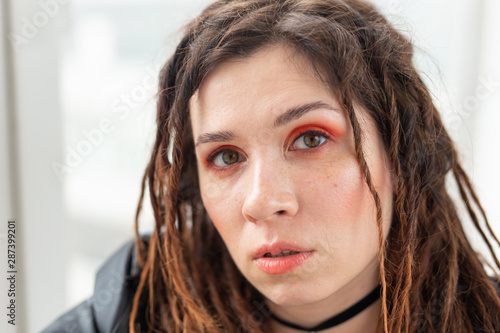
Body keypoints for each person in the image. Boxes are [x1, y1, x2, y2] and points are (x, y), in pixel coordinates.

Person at [43, 0, 500, 332]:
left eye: (311, 139)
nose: (261, 201)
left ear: (403, 155)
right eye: (225, 157)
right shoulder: (122, 315)